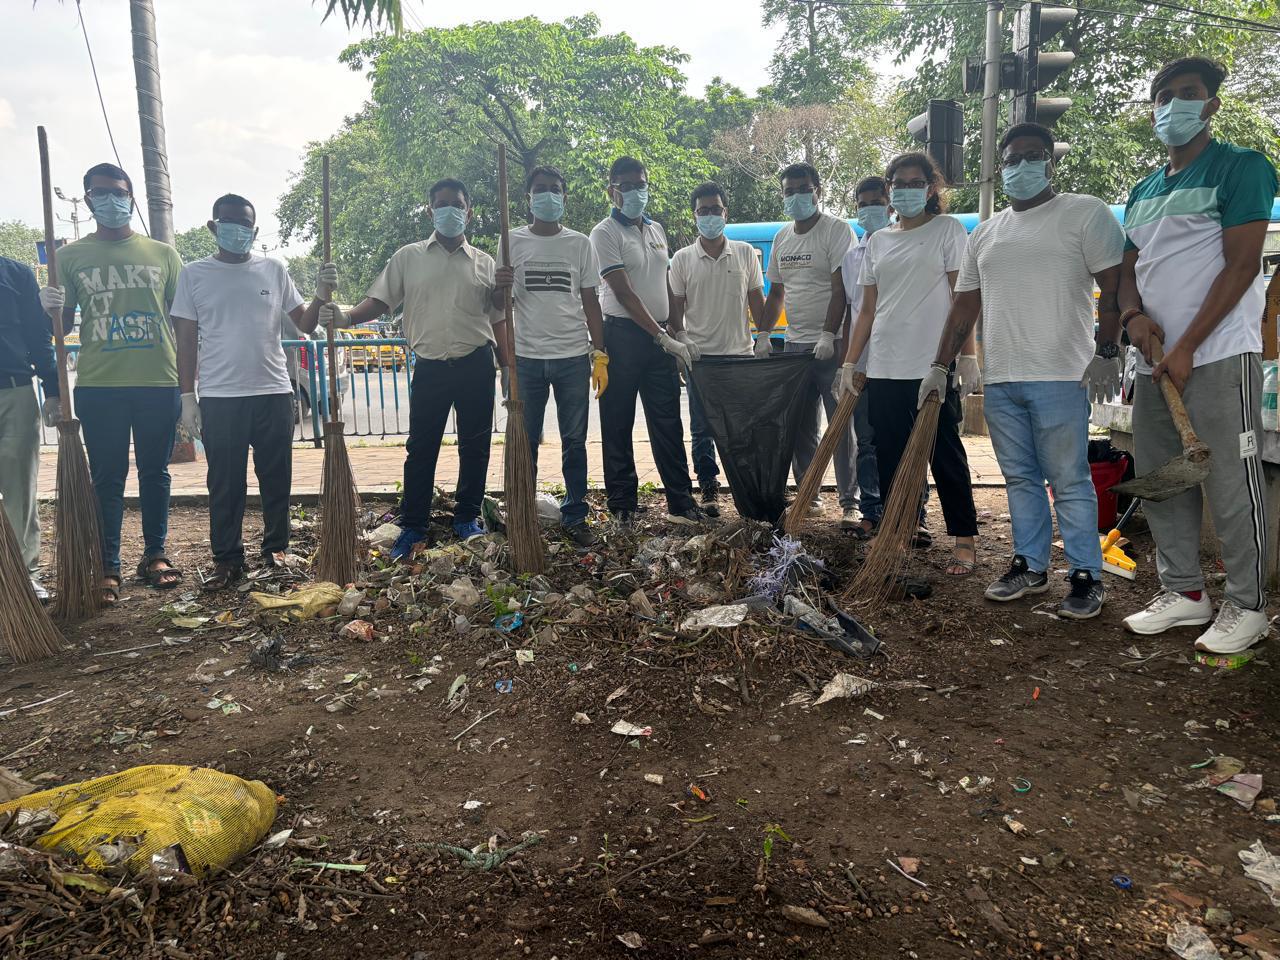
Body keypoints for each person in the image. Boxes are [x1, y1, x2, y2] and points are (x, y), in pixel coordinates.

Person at [927, 123, 1126, 619]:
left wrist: (1108, 350)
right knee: (1019, 478)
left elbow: (1115, 285)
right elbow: (964, 305)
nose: (1021, 166)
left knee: (1069, 479)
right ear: (1001, 167)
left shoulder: (1084, 213)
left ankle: (1085, 575)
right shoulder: (986, 232)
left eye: (1033, 156)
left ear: (1051, 162)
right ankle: (1030, 565)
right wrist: (940, 364)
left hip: (1061, 374)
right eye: (1012, 159)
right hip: (1002, 378)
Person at [1118, 57, 1278, 652]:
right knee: (1164, 480)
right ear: (1152, 111)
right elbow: (1130, 272)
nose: (1174, 104)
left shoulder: (1242, 167)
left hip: (1219, 356)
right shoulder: (1143, 190)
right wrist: (1132, 318)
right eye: (1164, 96)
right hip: (1154, 363)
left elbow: (1241, 266)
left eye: (1188, 93)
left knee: (1231, 479)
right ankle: (1184, 592)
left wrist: (1186, 345)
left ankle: (1248, 604)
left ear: (1211, 104)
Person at [323, 178, 510, 561]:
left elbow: (497, 315)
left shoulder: (485, 263)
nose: (449, 210)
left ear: (469, 212)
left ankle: (467, 517)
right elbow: (380, 301)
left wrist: (508, 364)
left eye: (457, 204)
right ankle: (414, 525)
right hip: (430, 368)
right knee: (421, 448)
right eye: (441, 204)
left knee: (475, 446)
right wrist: (346, 317)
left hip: (475, 364)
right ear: (430, 211)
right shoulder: (409, 257)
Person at [39, 162, 185, 603]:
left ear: (131, 197)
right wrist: (50, 307)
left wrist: (190, 386)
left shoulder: (163, 254)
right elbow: (61, 328)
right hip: (100, 384)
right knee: (107, 476)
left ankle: (155, 555)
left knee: (156, 472)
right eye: (100, 193)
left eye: (119, 193)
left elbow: (183, 321)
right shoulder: (69, 258)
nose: (111, 200)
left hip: (158, 380)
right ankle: (108, 565)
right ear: (88, 199)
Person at [835, 152, 979, 576]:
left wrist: (966, 356)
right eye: (898, 183)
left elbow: (963, 299)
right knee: (891, 457)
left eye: (916, 183)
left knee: (945, 454)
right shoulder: (879, 241)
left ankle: (964, 539)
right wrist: (849, 363)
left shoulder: (947, 231)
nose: (906, 190)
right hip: (885, 365)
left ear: (931, 188)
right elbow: (866, 310)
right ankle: (898, 530)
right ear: (889, 189)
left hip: (931, 366)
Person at [172, 194, 326, 590]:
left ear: (255, 231)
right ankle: (227, 559)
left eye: (245, 224)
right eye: (229, 222)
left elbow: (305, 324)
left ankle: (276, 549)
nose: (237, 230)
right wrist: (187, 397)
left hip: (273, 391)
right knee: (225, 482)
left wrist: (322, 294)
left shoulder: (273, 270)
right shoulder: (194, 274)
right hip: (221, 396)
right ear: (213, 226)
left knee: (276, 477)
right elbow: (185, 340)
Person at [589, 156, 706, 527]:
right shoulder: (604, 233)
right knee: (618, 422)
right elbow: (623, 291)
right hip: (622, 338)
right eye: (626, 186)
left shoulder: (656, 230)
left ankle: (681, 503)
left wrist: (678, 330)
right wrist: (661, 337)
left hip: (660, 339)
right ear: (612, 191)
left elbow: (665, 283)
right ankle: (623, 506)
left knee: (668, 421)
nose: (635, 192)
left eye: (640, 184)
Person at [499, 165, 607, 547]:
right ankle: (523, 514)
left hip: (572, 356)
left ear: (564, 196)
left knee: (574, 441)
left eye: (555, 189)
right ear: (528, 198)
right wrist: (499, 284)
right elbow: (498, 303)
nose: (549, 195)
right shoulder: (510, 241)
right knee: (525, 440)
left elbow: (591, 300)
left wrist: (600, 352)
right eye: (541, 189)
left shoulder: (580, 244)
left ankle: (575, 514)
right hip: (526, 359)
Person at [761, 163, 856, 523]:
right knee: (800, 427)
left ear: (818, 191)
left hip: (832, 344)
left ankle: (849, 502)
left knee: (841, 425)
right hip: (795, 347)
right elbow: (776, 293)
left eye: (803, 189)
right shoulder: (782, 237)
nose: (796, 197)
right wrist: (765, 334)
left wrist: (829, 335)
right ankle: (809, 494)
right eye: (789, 191)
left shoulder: (836, 230)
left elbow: (841, 289)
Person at [667, 181, 767, 517]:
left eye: (715, 209)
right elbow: (674, 308)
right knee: (702, 428)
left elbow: (757, 301)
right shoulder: (682, 259)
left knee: (741, 428)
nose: (709, 215)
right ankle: (708, 487)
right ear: (695, 215)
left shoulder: (744, 253)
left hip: (739, 356)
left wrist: (764, 334)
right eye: (703, 210)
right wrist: (682, 337)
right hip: (701, 360)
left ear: (726, 212)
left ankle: (744, 486)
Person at [0, 255, 60, 601]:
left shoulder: (15, 274)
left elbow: (38, 336)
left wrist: (53, 389)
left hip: (13, 391)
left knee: (19, 488)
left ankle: (25, 574)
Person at [839, 176, 891, 538]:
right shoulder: (851, 258)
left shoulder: (901, 247)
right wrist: (847, 362)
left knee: (903, 441)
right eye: (862, 204)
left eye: (876, 202)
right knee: (867, 442)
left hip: (899, 363)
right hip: (863, 364)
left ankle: (911, 514)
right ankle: (871, 510)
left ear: (890, 205)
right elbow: (853, 312)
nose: (869, 209)